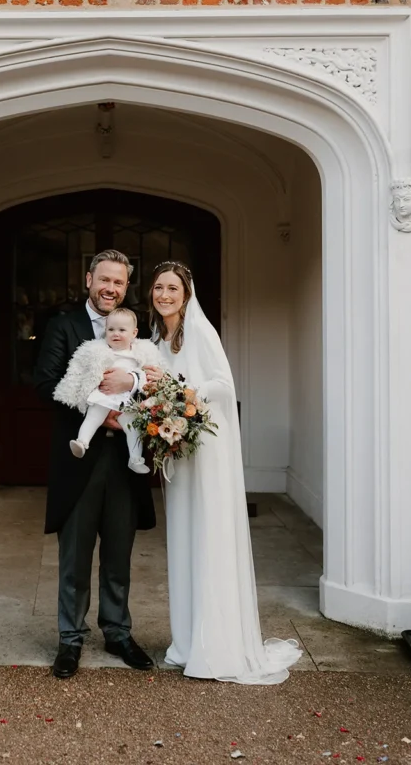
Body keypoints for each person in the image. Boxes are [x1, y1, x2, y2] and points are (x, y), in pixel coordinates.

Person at [145, 260, 302, 684]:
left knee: (208, 535)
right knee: (183, 536)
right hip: (178, 448)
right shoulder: (158, 337)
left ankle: (216, 646)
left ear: (186, 293)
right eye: (158, 288)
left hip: (206, 448)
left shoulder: (200, 331)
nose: (164, 295)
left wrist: (182, 393)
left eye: (172, 288)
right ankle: (187, 641)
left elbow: (223, 385)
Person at [34, 250, 156, 679]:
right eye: (104, 279)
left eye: (119, 282)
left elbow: (158, 379)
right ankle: (70, 640)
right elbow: (45, 383)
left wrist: (136, 387)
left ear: (126, 287)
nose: (110, 288)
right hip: (79, 455)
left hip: (125, 458)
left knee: (119, 551)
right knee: (75, 553)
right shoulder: (62, 326)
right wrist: (98, 409)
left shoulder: (137, 330)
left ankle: (118, 632)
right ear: (89, 279)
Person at [53, 306, 163, 474]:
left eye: (121, 330)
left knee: (134, 428)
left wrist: (135, 378)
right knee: (93, 417)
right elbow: (85, 370)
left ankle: (135, 459)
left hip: (127, 401)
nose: (115, 333)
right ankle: (81, 442)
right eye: (111, 329)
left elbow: (149, 374)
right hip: (104, 396)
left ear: (134, 333)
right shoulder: (100, 351)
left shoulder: (140, 353)